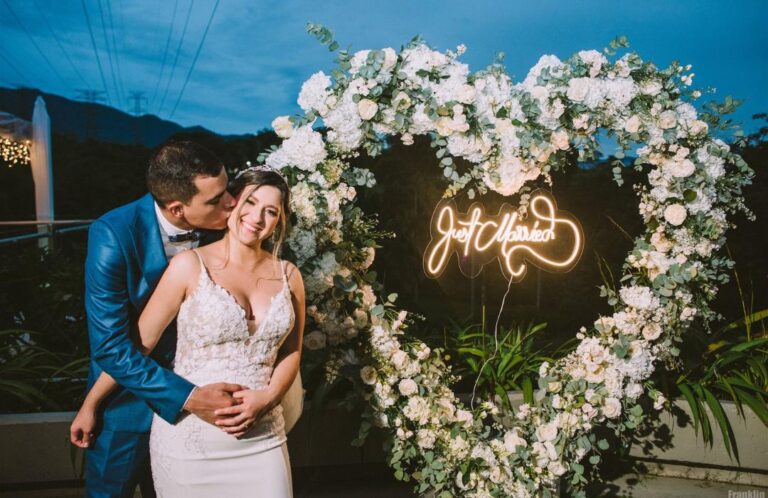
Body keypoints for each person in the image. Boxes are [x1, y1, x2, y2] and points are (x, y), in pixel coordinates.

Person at [71, 166, 305, 497]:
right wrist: (92, 402)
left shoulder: (289, 275)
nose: (257, 217)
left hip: (262, 436)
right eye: (250, 203)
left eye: (271, 211)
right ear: (232, 203)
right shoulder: (189, 264)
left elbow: (291, 351)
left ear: (280, 219)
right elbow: (140, 343)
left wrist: (268, 398)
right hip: (190, 436)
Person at [71, 141, 243, 498]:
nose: (232, 202)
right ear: (177, 209)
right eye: (216, 200)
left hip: (210, 403)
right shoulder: (113, 235)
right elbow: (111, 347)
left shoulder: (232, 226)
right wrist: (189, 397)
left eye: (228, 188)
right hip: (127, 402)